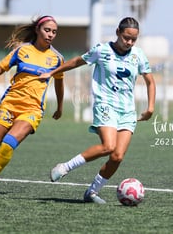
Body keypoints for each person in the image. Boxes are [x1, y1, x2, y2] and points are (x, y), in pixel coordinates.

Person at [39, 17, 156, 204]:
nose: (129, 42)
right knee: (108, 146)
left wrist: (150, 107)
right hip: (105, 105)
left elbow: (150, 81)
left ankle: (92, 192)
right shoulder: (101, 50)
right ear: (118, 32)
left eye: (134, 39)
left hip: (127, 111)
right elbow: (78, 61)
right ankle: (65, 167)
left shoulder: (138, 55)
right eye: (126, 37)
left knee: (117, 157)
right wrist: (52, 72)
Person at [0, 15, 65, 196]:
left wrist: (60, 107)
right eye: (47, 30)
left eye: (54, 32)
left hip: (32, 110)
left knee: (9, 144)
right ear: (37, 30)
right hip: (9, 105)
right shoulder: (22, 50)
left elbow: (59, 83)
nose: (50, 35)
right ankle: (4, 135)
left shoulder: (57, 58)